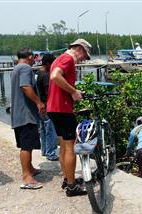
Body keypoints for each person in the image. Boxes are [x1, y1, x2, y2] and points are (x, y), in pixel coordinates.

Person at [47, 38, 92, 197]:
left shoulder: (58, 58)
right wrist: (73, 92)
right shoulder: (68, 59)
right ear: (79, 48)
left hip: (53, 108)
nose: (83, 60)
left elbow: (58, 79)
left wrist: (73, 90)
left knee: (63, 145)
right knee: (71, 146)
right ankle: (72, 187)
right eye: (84, 56)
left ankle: (67, 178)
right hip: (62, 109)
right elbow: (55, 76)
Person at [11, 48, 46, 190]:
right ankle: (26, 177)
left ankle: (30, 169)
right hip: (26, 115)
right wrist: (39, 102)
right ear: (30, 57)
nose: (35, 60)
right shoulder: (25, 68)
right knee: (26, 146)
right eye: (35, 58)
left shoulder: (16, 68)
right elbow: (25, 86)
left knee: (28, 144)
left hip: (18, 114)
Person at [36, 54, 58, 161]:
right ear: (48, 63)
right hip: (47, 106)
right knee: (51, 129)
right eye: (53, 63)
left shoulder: (38, 73)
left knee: (43, 129)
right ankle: (51, 153)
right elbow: (47, 91)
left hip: (40, 106)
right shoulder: (46, 75)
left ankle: (44, 150)